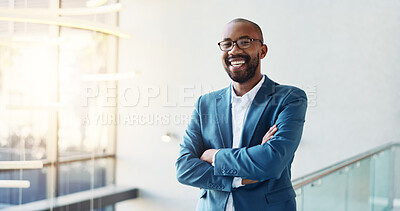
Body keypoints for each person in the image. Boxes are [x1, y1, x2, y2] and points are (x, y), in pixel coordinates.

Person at [175, 18, 307, 211]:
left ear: (262, 51)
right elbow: (184, 169)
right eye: (227, 44)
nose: (234, 50)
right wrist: (243, 177)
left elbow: (272, 162)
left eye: (244, 42)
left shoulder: (290, 98)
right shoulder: (206, 103)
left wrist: (215, 156)